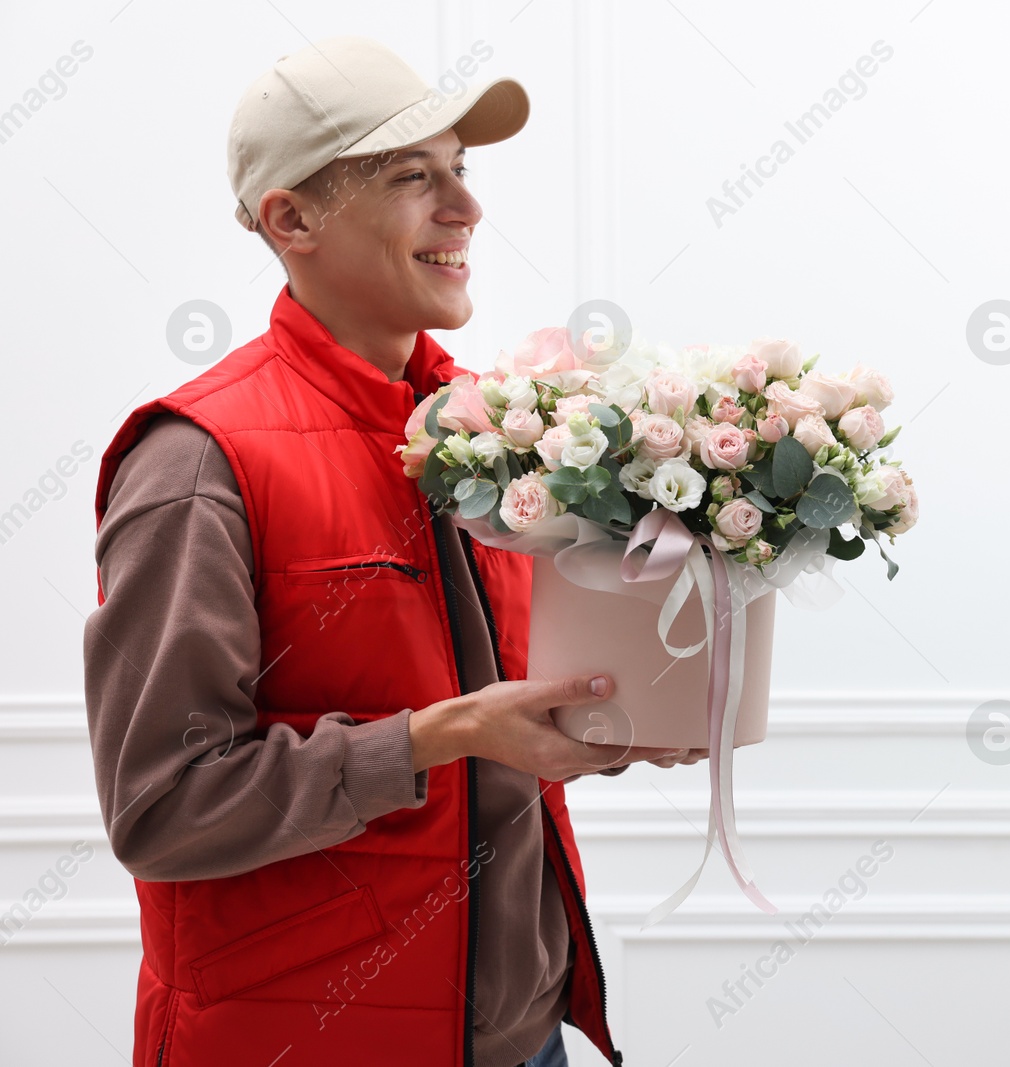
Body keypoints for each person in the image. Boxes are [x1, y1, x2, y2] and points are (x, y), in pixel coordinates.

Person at [83, 36, 702, 1067]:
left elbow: (494, 717)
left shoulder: (500, 435)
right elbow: (162, 805)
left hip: (522, 1034)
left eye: (461, 170)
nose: (463, 207)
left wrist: (611, 718)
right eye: (414, 175)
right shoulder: (198, 461)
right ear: (291, 218)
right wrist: (443, 734)